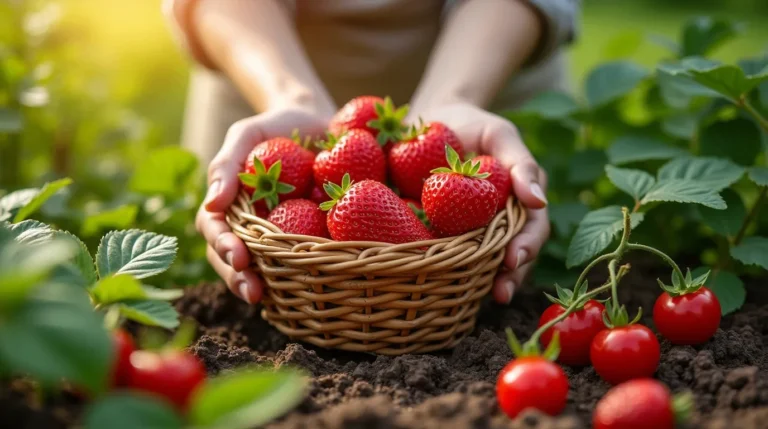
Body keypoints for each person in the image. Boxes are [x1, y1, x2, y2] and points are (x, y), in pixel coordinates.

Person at [164, 0, 579, 306]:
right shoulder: (291, 167)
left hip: (491, 60)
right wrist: (287, 97)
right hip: (260, 67)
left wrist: (455, 98)